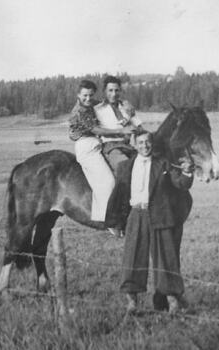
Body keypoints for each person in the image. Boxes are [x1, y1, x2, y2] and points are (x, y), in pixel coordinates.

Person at [110, 130, 194, 314]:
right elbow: (119, 196)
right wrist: (116, 222)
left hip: (160, 215)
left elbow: (180, 183)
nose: (145, 146)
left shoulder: (163, 164)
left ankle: (173, 302)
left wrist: (187, 172)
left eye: (147, 142)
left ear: (152, 143)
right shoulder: (125, 167)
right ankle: (132, 303)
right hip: (136, 216)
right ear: (135, 145)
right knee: (132, 258)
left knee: (166, 259)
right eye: (140, 143)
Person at [68, 79, 138, 227]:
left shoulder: (91, 104)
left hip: (97, 145)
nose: (88, 99)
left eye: (91, 95)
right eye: (84, 95)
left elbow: (109, 101)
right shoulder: (78, 111)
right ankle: (107, 221)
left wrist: (125, 104)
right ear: (77, 95)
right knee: (108, 182)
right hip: (87, 148)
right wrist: (121, 130)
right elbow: (96, 130)